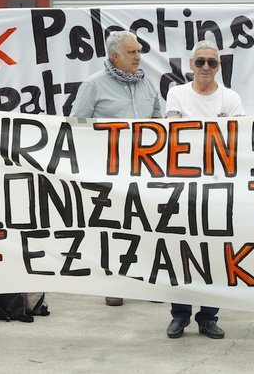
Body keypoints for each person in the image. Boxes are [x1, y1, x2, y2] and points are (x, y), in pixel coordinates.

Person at [71, 30, 161, 307]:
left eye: (139, 51)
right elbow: (76, 126)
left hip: (144, 170)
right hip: (108, 172)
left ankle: (149, 282)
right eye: (132, 52)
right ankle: (115, 282)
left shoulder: (147, 84)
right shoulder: (93, 85)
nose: (138, 57)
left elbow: (160, 123)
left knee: (148, 225)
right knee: (113, 227)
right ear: (115, 56)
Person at [164, 40, 244, 339]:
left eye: (212, 62)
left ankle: (208, 316)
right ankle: (180, 315)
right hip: (181, 184)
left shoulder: (231, 98)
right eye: (201, 62)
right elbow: (173, 137)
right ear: (191, 65)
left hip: (218, 184)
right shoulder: (176, 94)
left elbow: (236, 141)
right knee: (179, 250)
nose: (206, 67)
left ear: (219, 66)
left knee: (214, 252)